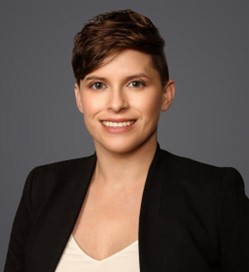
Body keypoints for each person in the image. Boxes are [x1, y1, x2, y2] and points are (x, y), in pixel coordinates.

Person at [4, 9, 249, 272]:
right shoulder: (41, 188)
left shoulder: (215, 196)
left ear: (166, 94)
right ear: (79, 97)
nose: (117, 104)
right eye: (98, 85)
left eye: (135, 84)